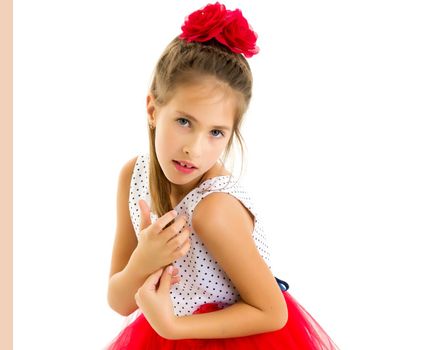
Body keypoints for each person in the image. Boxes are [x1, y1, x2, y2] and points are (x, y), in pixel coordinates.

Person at [106, 2, 339, 349]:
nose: (194, 149)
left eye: (216, 132)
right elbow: (119, 300)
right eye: (184, 122)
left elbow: (273, 312)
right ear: (154, 109)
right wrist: (143, 261)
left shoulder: (214, 210)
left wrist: (173, 328)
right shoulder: (133, 175)